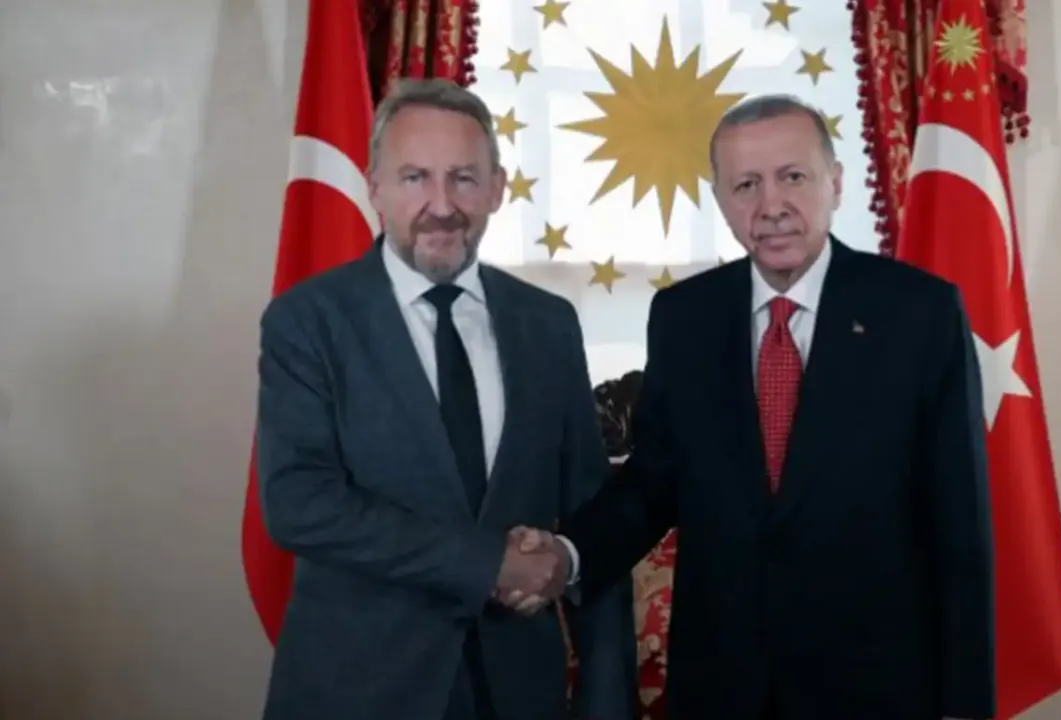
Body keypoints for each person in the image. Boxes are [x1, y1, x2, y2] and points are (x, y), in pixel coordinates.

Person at [506, 94, 996, 719]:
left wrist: (965, 704)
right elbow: (653, 484)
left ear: (835, 182)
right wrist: (566, 554)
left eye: (793, 177)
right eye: (746, 185)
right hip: (723, 685)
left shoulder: (919, 312)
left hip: (876, 687)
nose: (771, 206)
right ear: (721, 199)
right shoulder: (684, 317)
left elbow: (958, 519)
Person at [255, 78, 636, 720]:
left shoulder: (547, 323)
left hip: (520, 692)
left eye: (463, 178)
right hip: (358, 692)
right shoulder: (307, 321)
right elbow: (299, 503)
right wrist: (489, 564)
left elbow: (591, 514)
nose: (442, 205)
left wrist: (605, 702)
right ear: (375, 188)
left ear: (497, 188)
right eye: (415, 178)